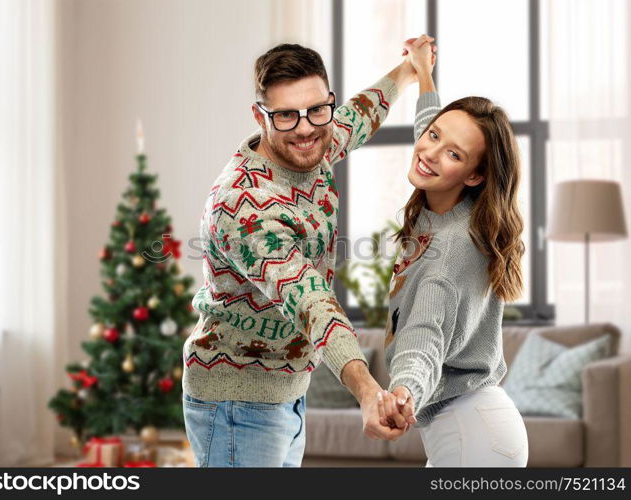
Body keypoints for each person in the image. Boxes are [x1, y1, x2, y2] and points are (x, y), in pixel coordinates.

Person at [182, 37, 432, 467]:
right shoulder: (242, 204)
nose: (305, 128)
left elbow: (360, 114)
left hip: (289, 392)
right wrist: (369, 391)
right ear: (260, 116)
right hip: (235, 405)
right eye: (285, 115)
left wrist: (410, 70)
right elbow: (310, 300)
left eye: (317, 109)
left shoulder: (313, 141)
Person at [378, 37, 530, 467]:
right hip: (478, 427)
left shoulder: (447, 251)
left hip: (471, 435)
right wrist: (423, 72)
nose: (428, 153)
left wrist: (403, 392)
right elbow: (433, 127)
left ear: (475, 175)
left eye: (453, 153)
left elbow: (424, 336)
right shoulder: (452, 204)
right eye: (433, 136)